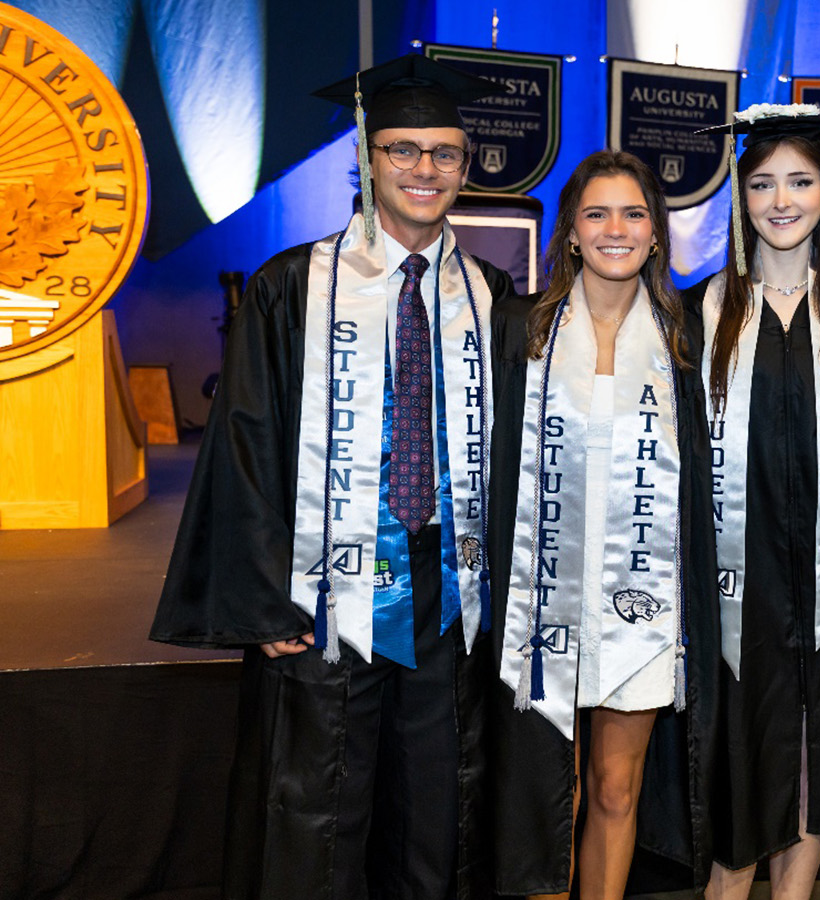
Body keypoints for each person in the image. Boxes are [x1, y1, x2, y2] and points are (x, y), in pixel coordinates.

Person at [149, 54, 514, 900]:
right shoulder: (292, 287)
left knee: (437, 801)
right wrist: (260, 594)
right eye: (403, 149)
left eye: (444, 152)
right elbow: (243, 441)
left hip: (448, 593)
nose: (425, 169)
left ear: (466, 165)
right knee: (320, 802)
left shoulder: (494, 297)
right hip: (324, 585)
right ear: (368, 156)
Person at [486, 150, 718, 900]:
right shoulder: (522, 331)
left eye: (633, 212)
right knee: (553, 797)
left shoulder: (688, 343)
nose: (615, 228)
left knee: (617, 789)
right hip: (544, 597)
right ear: (572, 233)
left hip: (640, 606)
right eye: (597, 213)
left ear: (656, 233)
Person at [682, 107, 820, 900]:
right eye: (762, 183)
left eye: (799, 181)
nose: (780, 200)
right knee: (741, 745)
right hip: (737, 576)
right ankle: (726, 890)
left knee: (817, 742)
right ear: (740, 197)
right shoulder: (700, 312)